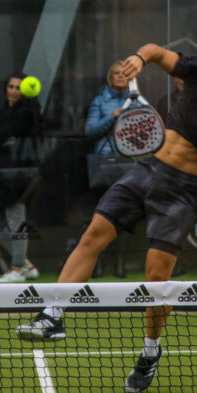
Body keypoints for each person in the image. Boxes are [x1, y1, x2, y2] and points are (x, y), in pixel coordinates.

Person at [15, 41, 197, 393]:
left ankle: (150, 351)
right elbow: (159, 52)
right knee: (92, 235)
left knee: (156, 280)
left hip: (182, 190)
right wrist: (140, 58)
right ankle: (53, 314)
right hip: (146, 169)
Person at [0, 73, 41, 283]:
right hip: (0, 177)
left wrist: (3, 137)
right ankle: (26, 264)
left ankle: (17, 269)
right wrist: (3, 138)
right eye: (11, 86)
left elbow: (16, 131)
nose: (14, 91)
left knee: (17, 223)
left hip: (20, 177)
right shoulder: (0, 112)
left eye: (18, 87)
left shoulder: (28, 113)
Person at [156, 76, 197, 278]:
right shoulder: (165, 102)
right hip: (174, 174)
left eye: (187, 77)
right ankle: (177, 265)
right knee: (175, 221)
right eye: (179, 76)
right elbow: (159, 136)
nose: (183, 80)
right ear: (173, 79)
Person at [84, 61, 132, 278]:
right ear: (110, 78)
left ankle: (120, 263)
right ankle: (98, 263)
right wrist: (111, 118)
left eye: (124, 73)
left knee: (123, 215)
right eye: (116, 73)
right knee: (101, 215)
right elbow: (90, 130)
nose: (121, 76)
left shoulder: (137, 100)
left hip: (128, 162)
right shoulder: (99, 100)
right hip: (104, 162)